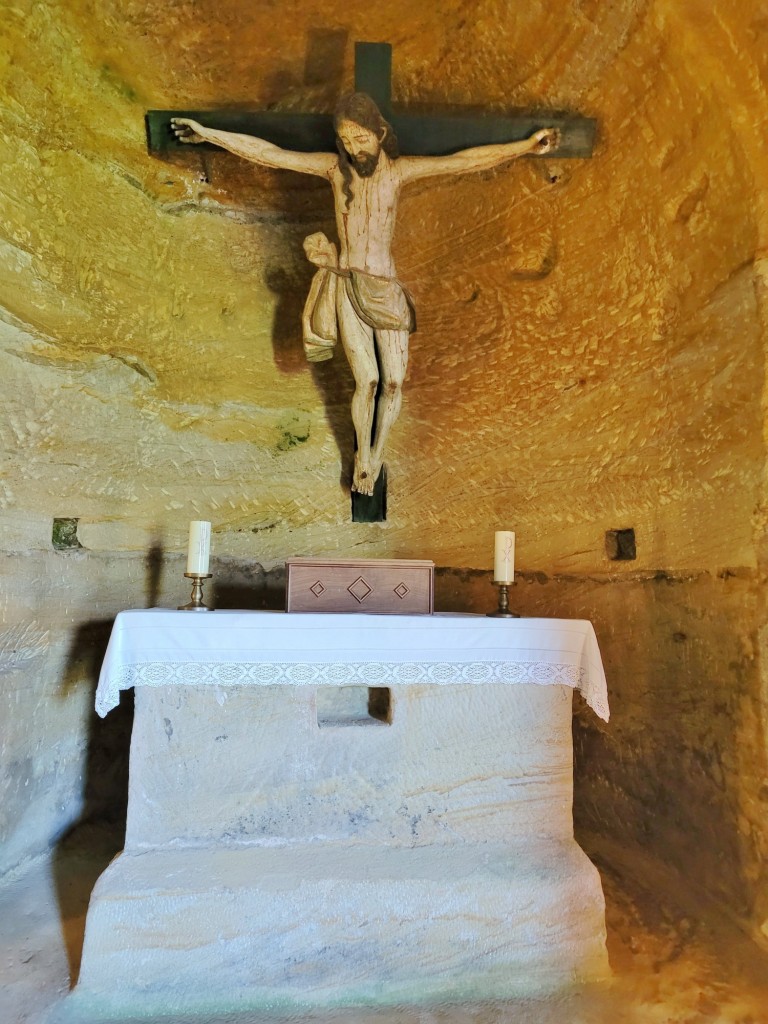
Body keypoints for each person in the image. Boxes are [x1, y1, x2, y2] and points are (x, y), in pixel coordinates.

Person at [172, 95, 559, 495]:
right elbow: (273, 154)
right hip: (349, 284)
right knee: (369, 380)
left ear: (381, 134)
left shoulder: (400, 172)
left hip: (387, 287)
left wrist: (526, 146)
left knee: (394, 383)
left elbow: (465, 160)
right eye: (347, 140)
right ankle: (364, 460)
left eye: (362, 138)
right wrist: (209, 135)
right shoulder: (333, 171)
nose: (355, 149)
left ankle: (377, 451)